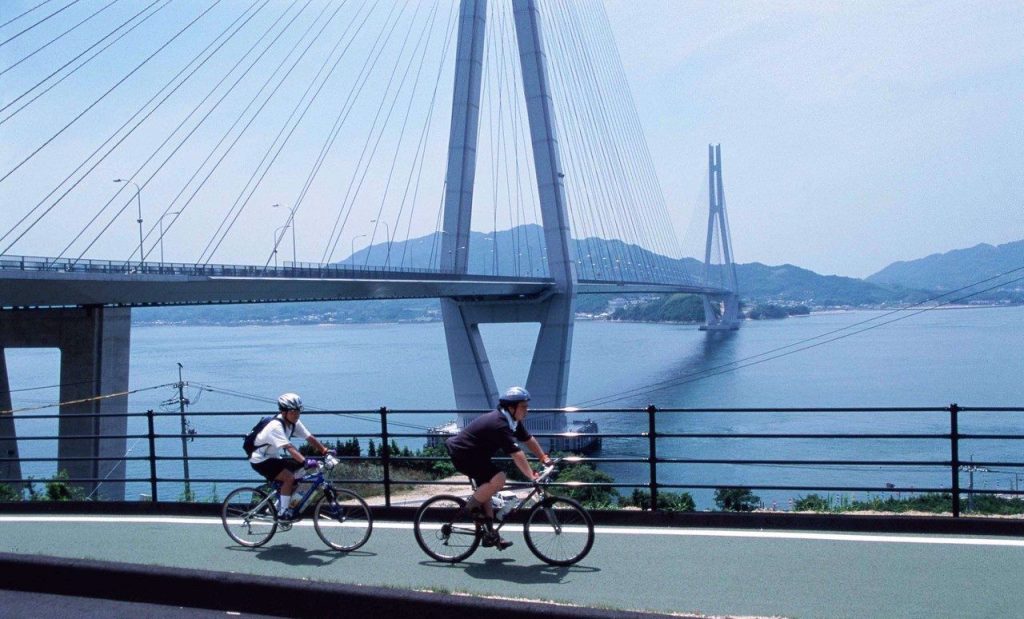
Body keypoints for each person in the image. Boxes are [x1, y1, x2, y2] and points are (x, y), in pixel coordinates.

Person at [445, 386, 552, 550]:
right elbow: (517, 454)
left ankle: (490, 535)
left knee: (486, 491)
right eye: (524, 407)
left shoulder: (512, 421)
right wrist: (531, 475)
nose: (527, 410)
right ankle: (471, 507)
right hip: (464, 454)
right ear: (511, 407)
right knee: (499, 478)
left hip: (477, 455)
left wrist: (543, 457)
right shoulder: (499, 424)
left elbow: (528, 439)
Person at [248, 393, 331, 525]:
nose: (297, 414)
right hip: (260, 460)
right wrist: (304, 461)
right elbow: (289, 447)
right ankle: (282, 513)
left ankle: (279, 503)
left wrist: (325, 450)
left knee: (301, 472)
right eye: (293, 411)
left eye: (299, 411)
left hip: (273, 457)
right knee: (289, 478)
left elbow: (309, 437)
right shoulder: (275, 426)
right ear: (283, 412)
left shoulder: (293, 422)